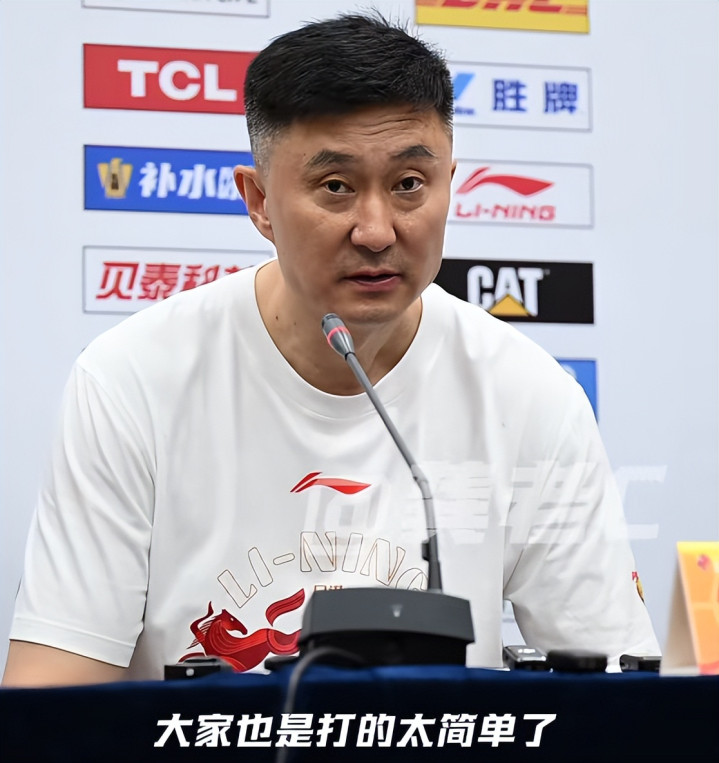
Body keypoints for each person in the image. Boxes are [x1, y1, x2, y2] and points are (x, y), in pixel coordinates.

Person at [2, 13, 658, 687]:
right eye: (336, 187)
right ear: (259, 201)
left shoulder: (530, 394)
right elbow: (52, 695)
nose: (376, 231)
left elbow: (617, 696)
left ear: (449, 185)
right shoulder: (132, 381)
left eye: (409, 183)